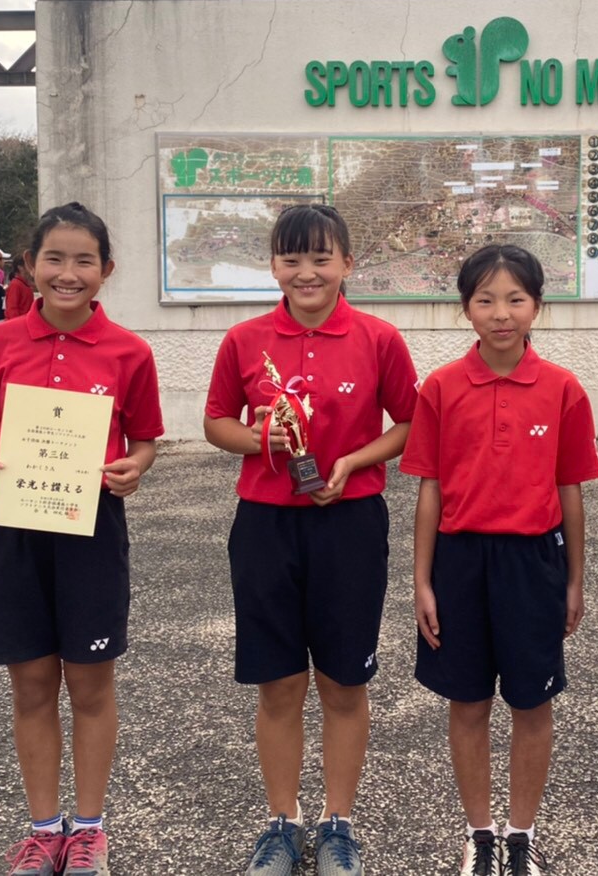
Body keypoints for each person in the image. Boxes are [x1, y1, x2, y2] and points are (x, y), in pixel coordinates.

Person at [204, 203, 418, 876]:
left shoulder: (378, 338)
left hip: (350, 522)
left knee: (344, 683)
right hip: (265, 522)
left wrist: (355, 461)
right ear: (273, 265)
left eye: (321, 258)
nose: (306, 272)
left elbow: (409, 424)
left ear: (348, 264)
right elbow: (215, 422)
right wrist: (257, 437)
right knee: (277, 684)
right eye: (291, 259)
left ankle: (338, 825)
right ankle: (281, 821)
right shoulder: (244, 341)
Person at [0, 202, 164, 876]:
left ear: (106, 270)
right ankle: (45, 828)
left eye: (84, 261)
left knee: (92, 685)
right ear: (29, 267)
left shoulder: (130, 351)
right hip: (14, 527)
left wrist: (135, 468)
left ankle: (91, 830)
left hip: (92, 528)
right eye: (55, 258)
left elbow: (143, 441)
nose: (68, 273)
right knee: (31, 685)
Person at [403, 244, 598, 876]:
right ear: (465, 308)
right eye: (485, 299)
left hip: (533, 563)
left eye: (515, 298)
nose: (500, 313)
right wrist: (422, 582)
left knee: (531, 703)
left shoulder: (563, 388)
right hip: (460, 563)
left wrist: (574, 578)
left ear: (537, 306)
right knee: (467, 703)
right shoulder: (439, 387)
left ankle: (521, 835)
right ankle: (479, 835)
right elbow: (429, 487)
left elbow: (569, 487)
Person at [5, 255, 35, 320]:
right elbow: (12, 309)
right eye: (28, 265)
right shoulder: (16, 284)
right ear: (20, 267)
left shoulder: (25, 284)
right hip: (18, 323)